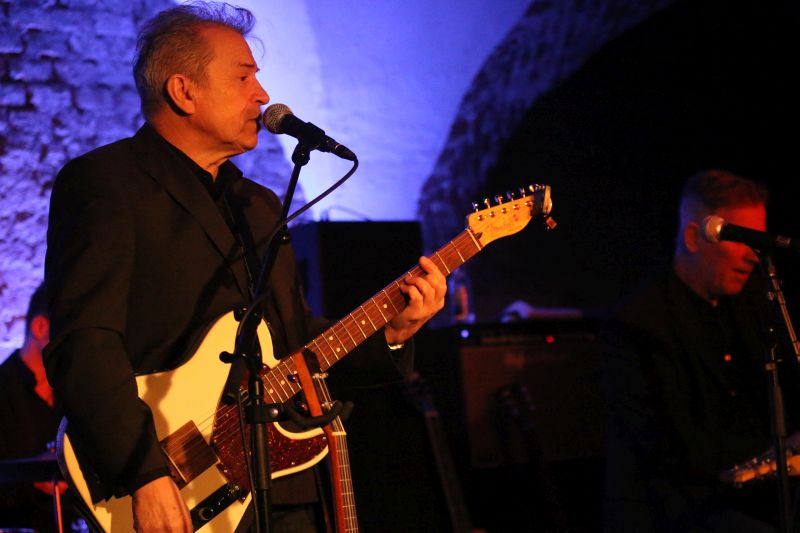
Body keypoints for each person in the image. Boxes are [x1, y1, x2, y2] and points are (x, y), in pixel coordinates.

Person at [43, 3, 446, 532]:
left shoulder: (257, 205)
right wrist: (144, 474)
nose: (263, 94)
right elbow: (85, 344)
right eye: (243, 77)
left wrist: (391, 333)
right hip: (169, 486)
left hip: (282, 487)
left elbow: (295, 343)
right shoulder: (106, 183)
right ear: (183, 91)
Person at [602, 169, 799, 532]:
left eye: (758, 242)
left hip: (746, 499)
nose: (753, 257)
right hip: (673, 509)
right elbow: (675, 448)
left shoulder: (754, 304)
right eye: (740, 239)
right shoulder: (641, 323)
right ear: (694, 237)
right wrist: (776, 453)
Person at [0, 284, 84, 532]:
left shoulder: (74, 389)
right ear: (40, 327)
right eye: (71, 330)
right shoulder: (4, 390)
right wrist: (34, 480)